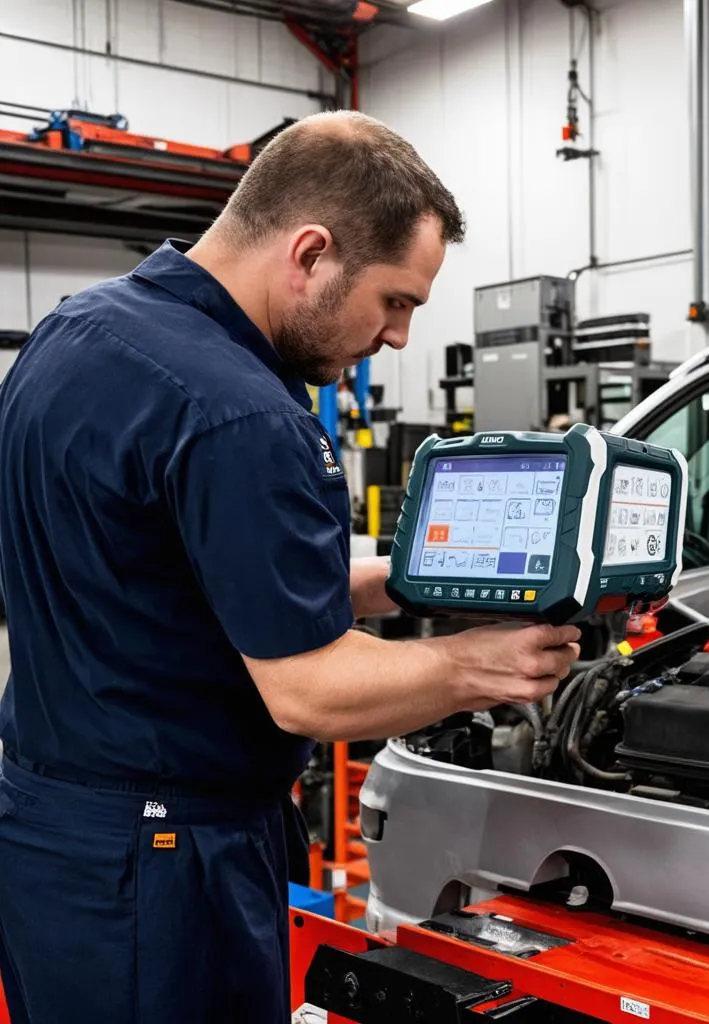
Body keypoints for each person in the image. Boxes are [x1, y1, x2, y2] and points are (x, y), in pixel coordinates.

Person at [0, 111, 580, 1024]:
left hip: (53, 835)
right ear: (310, 252)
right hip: (166, 867)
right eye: (396, 301)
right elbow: (305, 689)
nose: (395, 337)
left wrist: (407, 579)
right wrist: (483, 666)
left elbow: (185, 585)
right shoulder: (242, 414)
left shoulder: (75, 334)